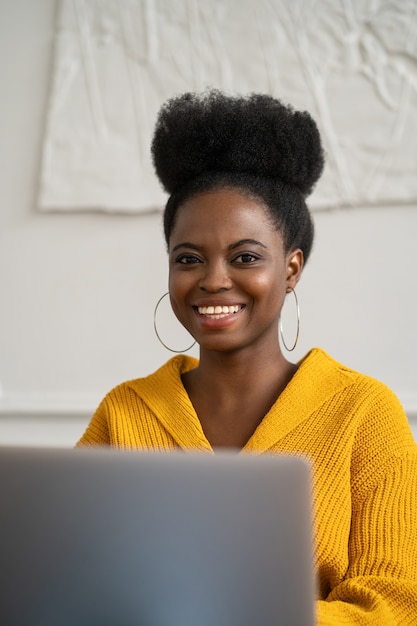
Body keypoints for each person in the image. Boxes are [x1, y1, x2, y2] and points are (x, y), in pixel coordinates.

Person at [77, 90, 417, 624]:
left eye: (246, 257)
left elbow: (395, 607)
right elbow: (68, 579)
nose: (213, 279)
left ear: (291, 268)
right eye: (188, 258)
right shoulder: (125, 412)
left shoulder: (364, 414)